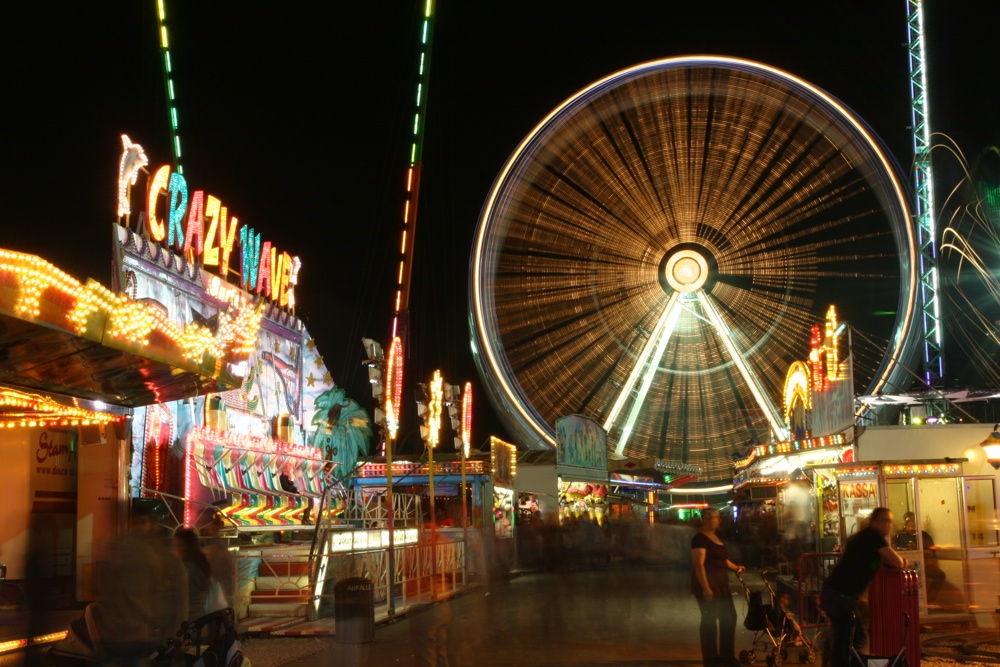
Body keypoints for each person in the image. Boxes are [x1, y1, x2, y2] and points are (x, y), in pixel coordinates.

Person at [821, 507, 907, 667]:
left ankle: (836, 662)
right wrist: (902, 562)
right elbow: (897, 562)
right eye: (885, 521)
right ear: (874, 521)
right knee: (856, 637)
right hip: (841, 595)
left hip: (836, 592)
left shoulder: (864, 537)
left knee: (843, 636)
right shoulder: (873, 536)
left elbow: (869, 561)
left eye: (891, 522)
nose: (889, 525)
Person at [691, 509, 746, 667]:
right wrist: (706, 588)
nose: (719, 521)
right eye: (716, 518)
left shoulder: (715, 537)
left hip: (721, 585)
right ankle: (711, 659)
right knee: (710, 620)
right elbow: (698, 565)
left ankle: (726, 656)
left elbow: (722, 559)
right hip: (709, 585)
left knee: (729, 617)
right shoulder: (699, 539)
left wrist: (736, 568)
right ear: (707, 519)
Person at [893, 511, 945, 602]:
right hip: (903, 566)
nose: (911, 526)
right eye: (909, 523)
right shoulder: (899, 536)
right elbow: (893, 551)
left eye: (913, 523)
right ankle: (904, 602)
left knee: (940, 576)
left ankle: (929, 602)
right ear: (905, 523)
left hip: (924, 565)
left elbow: (931, 553)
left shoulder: (923, 535)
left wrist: (917, 549)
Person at [173, 528, 212, 621]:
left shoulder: (186, 569)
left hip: (188, 619)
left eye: (177, 545)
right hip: (200, 617)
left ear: (186, 547)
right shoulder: (200, 564)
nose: (174, 549)